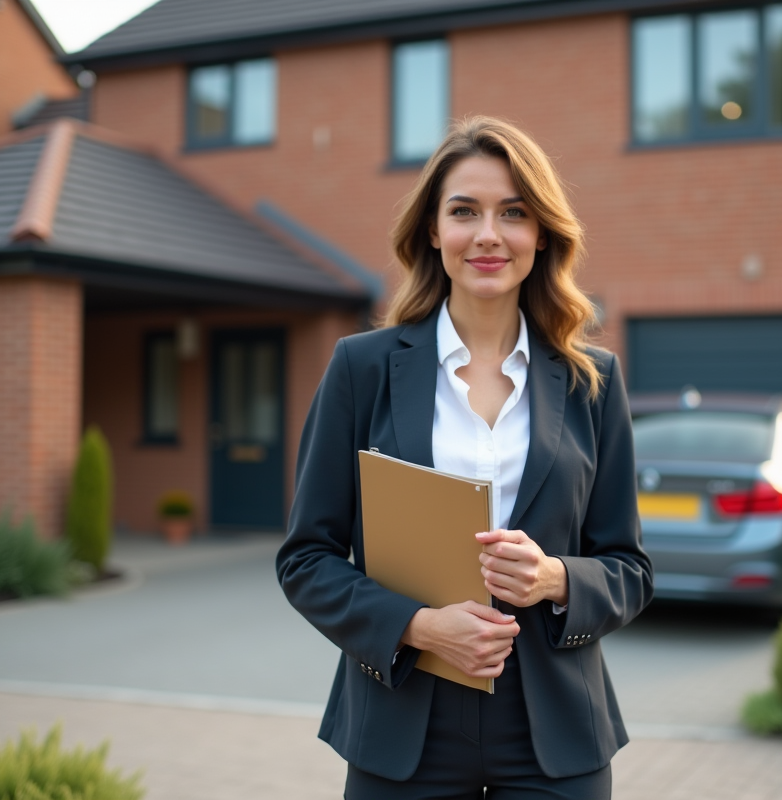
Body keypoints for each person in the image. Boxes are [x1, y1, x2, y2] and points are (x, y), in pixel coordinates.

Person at [276, 116, 652, 799]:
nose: (488, 234)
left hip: (555, 732)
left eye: (513, 212)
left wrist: (554, 578)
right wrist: (419, 628)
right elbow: (306, 559)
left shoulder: (592, 379)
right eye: (464, 211)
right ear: (431, 230)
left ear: (541, 233)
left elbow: (629, 568)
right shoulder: (362, 368)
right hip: (402, 724)